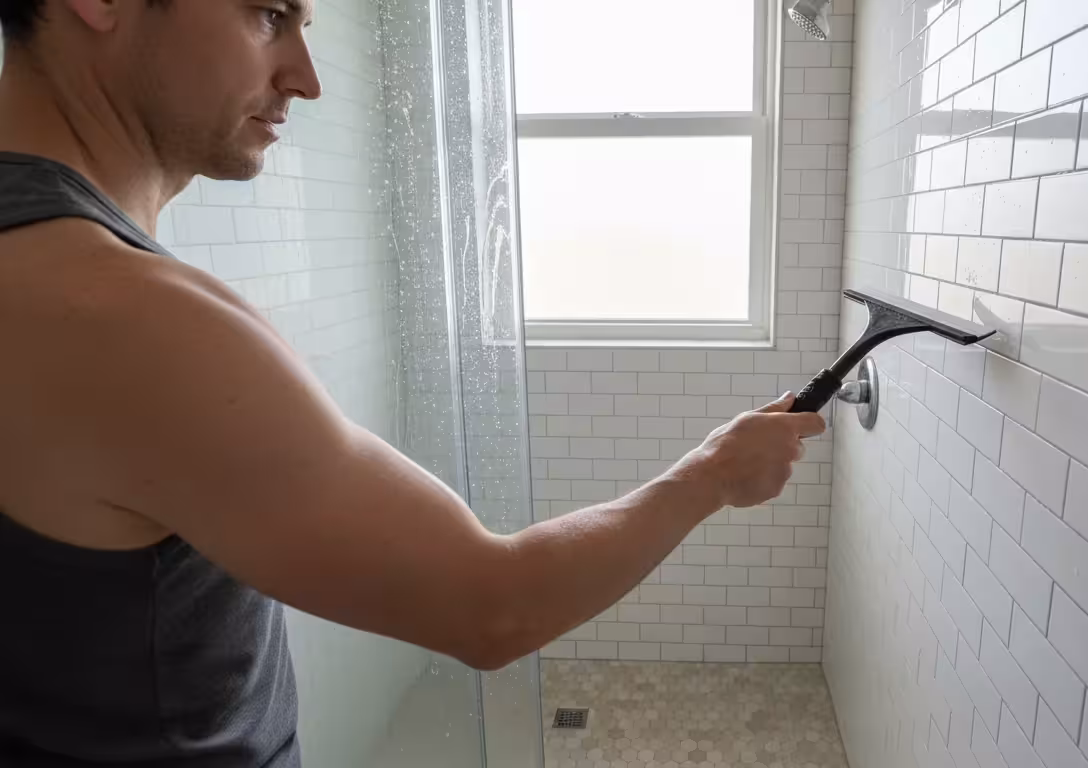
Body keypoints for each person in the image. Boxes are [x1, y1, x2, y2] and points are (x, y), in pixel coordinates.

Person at [0, 0, 828, 764]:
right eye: (266, 14)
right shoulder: (120, 315)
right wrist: (714, 471)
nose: (307, 77)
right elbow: (496, 607)